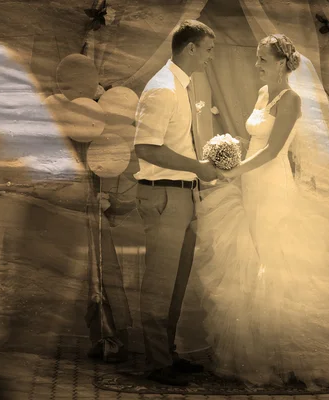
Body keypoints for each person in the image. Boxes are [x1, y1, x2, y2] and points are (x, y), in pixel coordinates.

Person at [192, 34, 329, 389]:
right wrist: (232, 150)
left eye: (262, 59)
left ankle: (300, 354)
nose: (257, 65)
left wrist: (237, 170)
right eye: (257, 58)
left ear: (281, 63)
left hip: (272, 187)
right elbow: (257, 141)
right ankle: (264, 353)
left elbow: (274, 151)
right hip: (251, 184)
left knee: (276, 262)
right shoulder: (264, 94)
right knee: (252, 257)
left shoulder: (291, 100)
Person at [133, 20, 218, 386]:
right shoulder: (163, 89)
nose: (210, 57)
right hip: (164, 193)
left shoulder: (180, 85)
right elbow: (146, 147)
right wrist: (198, 167)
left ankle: (166, 354)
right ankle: (157, 363)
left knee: (177, 283)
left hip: (182, 194)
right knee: (160, 282)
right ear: (190, 49)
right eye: (208, 50)